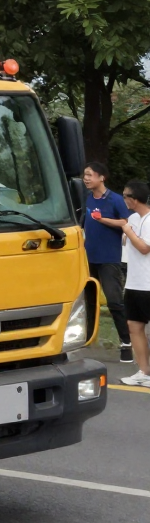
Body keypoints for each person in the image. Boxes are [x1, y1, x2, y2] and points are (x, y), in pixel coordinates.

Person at [95, 180, 150, 386]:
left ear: (134, 199)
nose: (123, 199)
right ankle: (144, 372)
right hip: (134, 284)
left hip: (148, 284)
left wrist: (127, 231)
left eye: (126, 196)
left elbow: (144, 248)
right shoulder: (133, 218)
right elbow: (125, 231)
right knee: (134, 326)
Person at [83, 160, 133, 362]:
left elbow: (127, 223)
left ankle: (126, 344)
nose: (86, 178)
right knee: (88, 301)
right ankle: (86, 341)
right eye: (85, 175)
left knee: (114, 301)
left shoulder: (115, 200)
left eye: (90, 175)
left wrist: (102, 219)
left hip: (109, 259)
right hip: (88, 258)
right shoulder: (85, 199)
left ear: (101, 177)